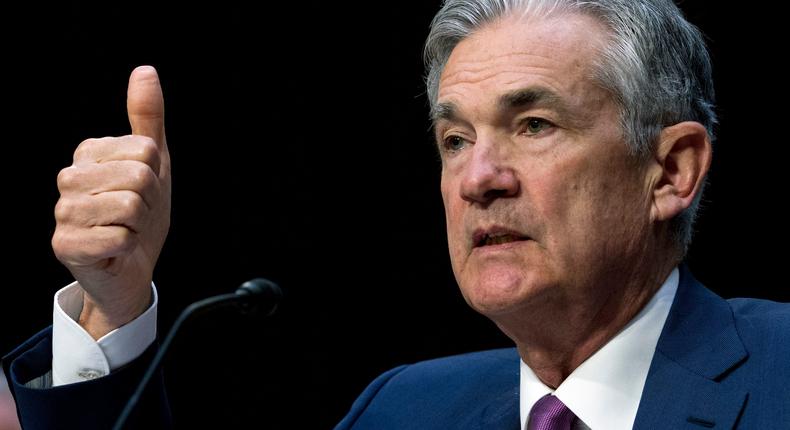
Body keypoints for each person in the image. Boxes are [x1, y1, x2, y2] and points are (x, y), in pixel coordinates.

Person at [2, 1, 789, 429]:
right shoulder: (405, 409)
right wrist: (113, 303)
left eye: (534, 125)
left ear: (671, 171)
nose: (477, 178)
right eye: (454, 138)